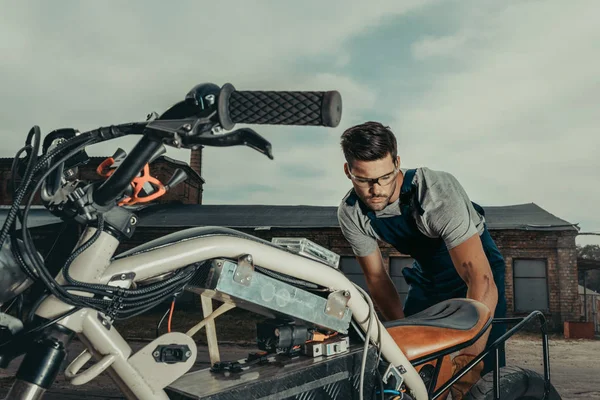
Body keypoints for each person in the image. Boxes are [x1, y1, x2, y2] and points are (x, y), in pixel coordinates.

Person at [336, 121, 507, 399]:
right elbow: (377, 279)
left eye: (385, 177)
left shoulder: (434, 193)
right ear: (348, 171)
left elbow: (478, 275)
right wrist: (402, 350)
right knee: (420, 372)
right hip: (427, 276)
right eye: (364, 180)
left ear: (397, 162)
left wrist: (469, 356)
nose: (376, 189)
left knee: (478, 376)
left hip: (477, 268)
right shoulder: (351, 213)